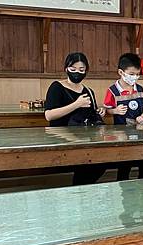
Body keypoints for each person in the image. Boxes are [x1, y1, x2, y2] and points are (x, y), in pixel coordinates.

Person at [44, 52, 107, 185]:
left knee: (102, 160)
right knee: (86, 161)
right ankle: (79, 189)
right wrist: (76, 104)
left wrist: (99, 112)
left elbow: (91, 114)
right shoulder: (57, 87)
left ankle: (82, 188)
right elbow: (49, 115)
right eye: (73, 69)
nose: (77, 73)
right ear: (66, 68)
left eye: (81, 70)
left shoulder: (88, 90)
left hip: (84, 137)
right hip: (62, 136)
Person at [104, 53, 143, 180]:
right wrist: (116, 111)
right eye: (131, 74)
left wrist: (142, 116)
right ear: (121, 72)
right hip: (122, 134)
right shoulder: (112, 90)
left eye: (137, 74)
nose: (135, 77)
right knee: (125, 164)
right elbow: (108, 110)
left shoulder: (140, 89)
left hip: (141, 133)